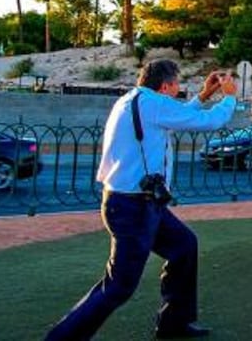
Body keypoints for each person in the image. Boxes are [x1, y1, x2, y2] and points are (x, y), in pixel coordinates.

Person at [46, 59, 238, 340]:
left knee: (184, 246)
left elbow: (178, 114)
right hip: (133, 207)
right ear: (165, 86)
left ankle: (173, 323)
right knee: (119, 286)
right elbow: (209, 121)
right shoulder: (153, 105)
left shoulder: (136, 100)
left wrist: (205, 95)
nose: (178, 89)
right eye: (177, 84)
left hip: (140, 204)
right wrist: (230, 97)